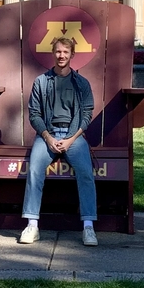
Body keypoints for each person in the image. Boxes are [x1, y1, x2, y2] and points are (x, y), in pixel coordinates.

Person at [20, 36, 98, 247]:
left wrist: (71, 139)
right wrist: (48, 137)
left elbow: (86, 115)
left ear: (72, 55)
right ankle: (32, 225)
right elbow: (34, 114)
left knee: (85, 172)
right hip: (48, 135)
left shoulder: (81, 83)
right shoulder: (41, 82)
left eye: (66, 52)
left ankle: (89, 227)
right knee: (35, 169)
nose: (61, 55)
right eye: (58, 51)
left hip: (74, 137)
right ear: (53, 54)